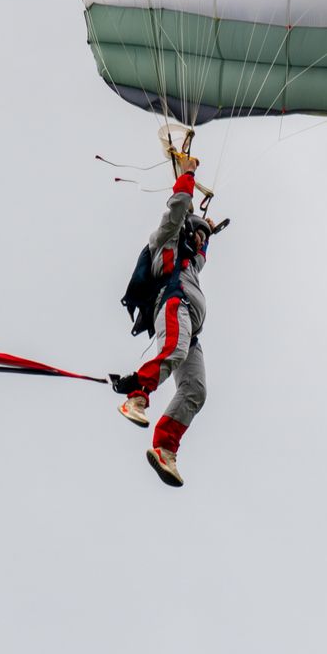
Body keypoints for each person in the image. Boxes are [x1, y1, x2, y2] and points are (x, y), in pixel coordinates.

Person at [115, 153, 213, 487]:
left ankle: (164, 448)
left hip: (191, 329)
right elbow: (177, 208)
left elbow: (202, 254)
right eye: (197, 233)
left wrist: (208, 229)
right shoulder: (166, 239)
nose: (200, 240)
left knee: (196, 390)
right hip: (172, 306)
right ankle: (137, 396)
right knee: (173, 349)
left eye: (204, 237)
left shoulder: (192, 264)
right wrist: (187, 174)